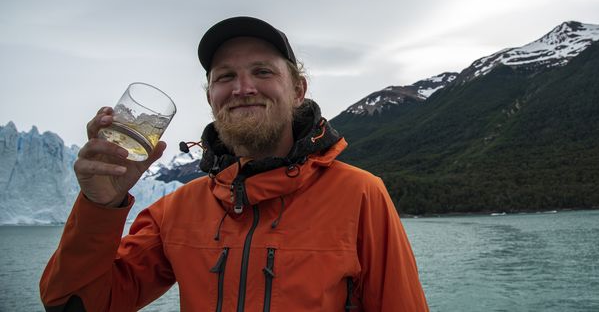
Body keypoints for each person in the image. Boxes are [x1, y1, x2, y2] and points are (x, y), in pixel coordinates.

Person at [39, 16, 429, 311]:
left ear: (298, 90)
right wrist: (99, 206)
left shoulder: (360, 195)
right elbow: (76, 304)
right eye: (225, 76)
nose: (243, 88)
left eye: (262, 71)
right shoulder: (177, 211)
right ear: (210, 95)